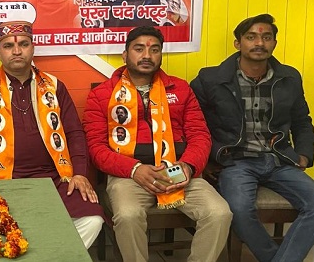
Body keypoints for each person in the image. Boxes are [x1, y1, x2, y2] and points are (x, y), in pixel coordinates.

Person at [190, 14, 314, 262]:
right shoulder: (210, 79)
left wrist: (303, 154)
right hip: (236, 162)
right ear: (238, 43)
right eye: (251, 37)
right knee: (238, 209)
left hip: (279, 159)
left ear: (274, 43)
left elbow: (302, 121)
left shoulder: (289, 78)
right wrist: (209, 159)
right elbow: (195, 126)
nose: (259, 43)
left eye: (266, 37)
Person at [83, 26, 231, 262]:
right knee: (128, 216)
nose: (147, 55)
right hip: (128, 174)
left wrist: (188, 166)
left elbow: (200, 136)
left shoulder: (180, 89)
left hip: (176, 170)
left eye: (154, 50)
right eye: (139, 49)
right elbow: (96, 148)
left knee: (219, 213)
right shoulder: (102, 94)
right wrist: (135, 169)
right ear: (125, 55)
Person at [0, 21, 104, 249]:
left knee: (92, 220)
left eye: (23, 44)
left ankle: (51, 255)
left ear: (33, 48)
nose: (17, 51)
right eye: (8, 46)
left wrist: (79, 173)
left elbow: (75, 133)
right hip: (4, 181)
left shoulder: (54, 86)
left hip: (56, 179)